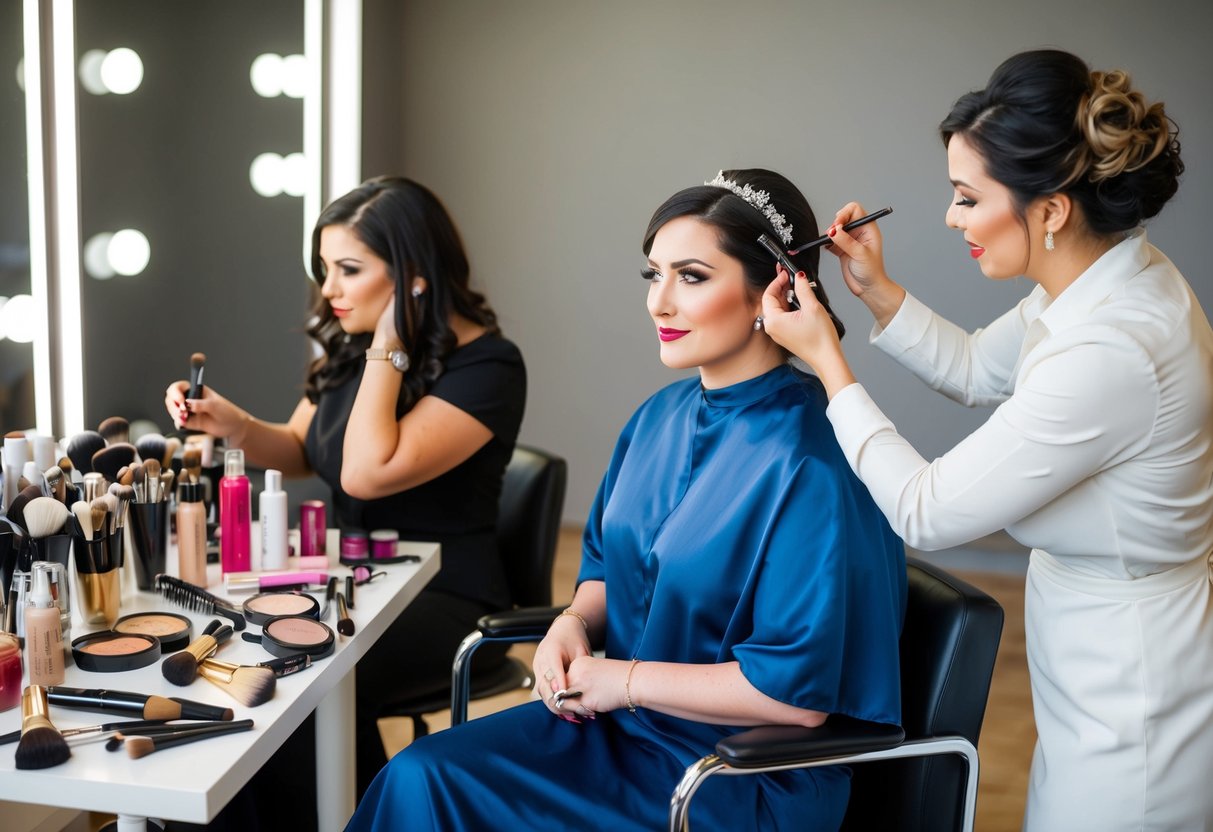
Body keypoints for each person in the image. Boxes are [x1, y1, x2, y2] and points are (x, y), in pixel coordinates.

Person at [345, 169, 906, 832]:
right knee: (420, 773)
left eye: (690, 277)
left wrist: (624, 680)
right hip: (624, 722)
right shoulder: (656, 418)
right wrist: (573, 624)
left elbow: (795, 696)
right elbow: (609, 567)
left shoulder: (813, 462)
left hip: (737, 773)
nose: (658, 303)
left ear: (776, 287)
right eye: (653, 275)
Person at [761, 49, 1213, 831]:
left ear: (1050, 210)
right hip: (1088, 652)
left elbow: (926, 511)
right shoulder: (1103, 276)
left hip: (1133, 685)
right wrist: (874, 291)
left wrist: (827, 362)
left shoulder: (1111, 349)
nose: (951, 217)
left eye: (967, 198)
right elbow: (974, 367)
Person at [164, 176, 527, 808]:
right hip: (353, 578)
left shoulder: (489, 367)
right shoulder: (350, 346)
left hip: (442, 593)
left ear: (414, 275)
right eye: (325, 269)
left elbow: (363, 471)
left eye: (348, 270)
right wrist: (234, 425)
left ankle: (361, 817)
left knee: (306, 680)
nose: (328, 289)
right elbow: (304, 449)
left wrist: (388, 346)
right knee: (253, 663)